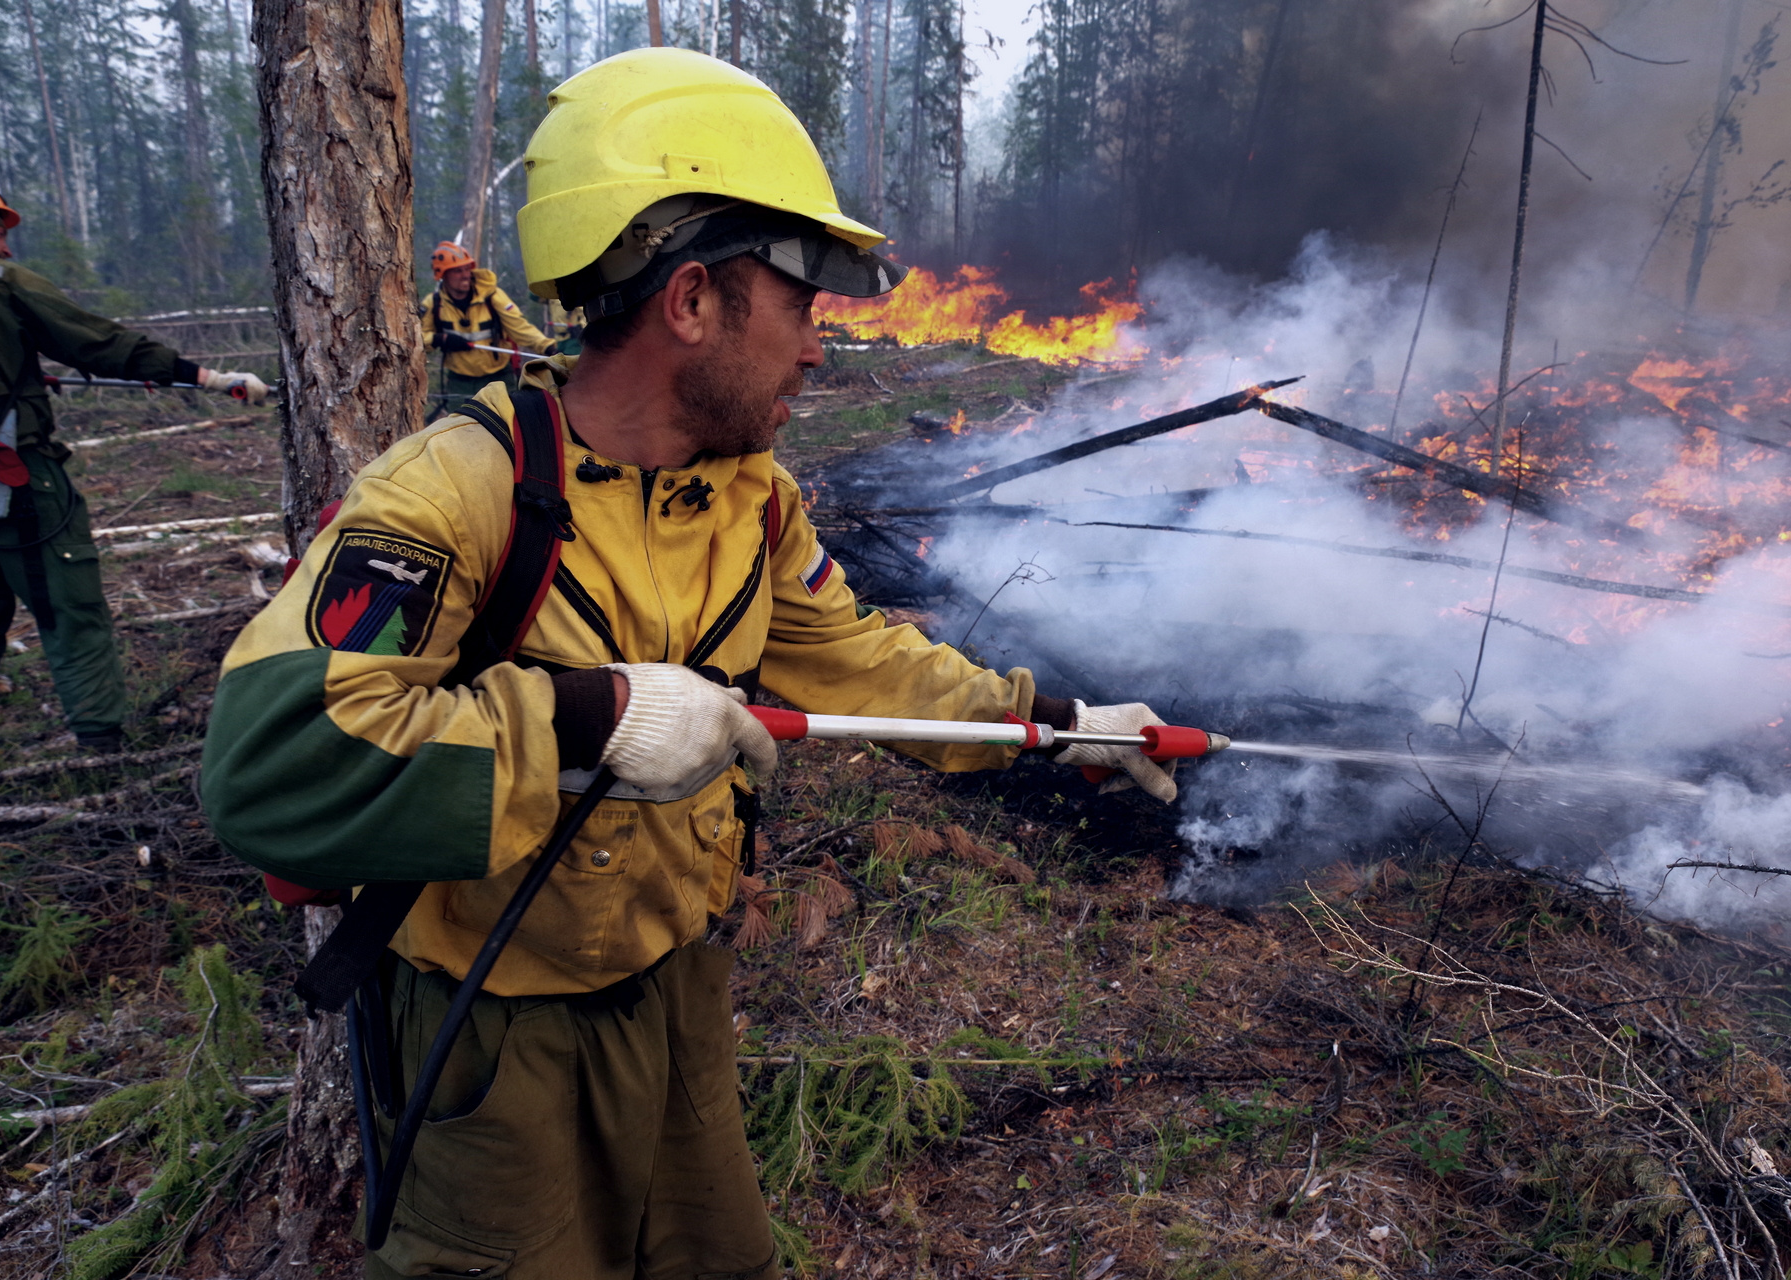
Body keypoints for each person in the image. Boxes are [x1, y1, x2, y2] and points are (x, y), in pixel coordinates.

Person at [200, 49, 1175, 1280]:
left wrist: (1053, 722)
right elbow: (270, 762)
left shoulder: (751, 501)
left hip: (683, 997)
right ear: (694, 300)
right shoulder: (457, 489)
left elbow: (862, 659)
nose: (818, 350)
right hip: (491, 1034)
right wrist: (589, 714)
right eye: (805, 304)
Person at [0, 177, 268, 756]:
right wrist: (210, 378)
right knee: (68, 602)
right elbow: (100, 343)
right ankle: (101, 741)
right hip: (14, 479)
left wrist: (19, 375)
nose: (6, 241)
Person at [420, 240, 560, 415]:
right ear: (443, 275)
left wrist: (547, 346)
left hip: (498, 378)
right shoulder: (434, 304)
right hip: (459, 382)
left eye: (466, 269)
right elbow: (416, 341)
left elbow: (519, 327)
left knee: (508, 427)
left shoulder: (492, 297)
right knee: (460, 434)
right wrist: (439, 339)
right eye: (457, 271)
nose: (465, 275)